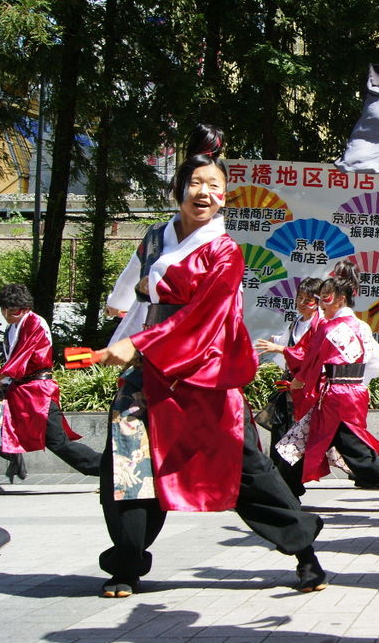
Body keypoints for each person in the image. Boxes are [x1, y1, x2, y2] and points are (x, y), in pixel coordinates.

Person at [94, 125, 326, 597]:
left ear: (224, 197)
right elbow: (129, 296)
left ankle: (304, 551)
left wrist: (139, 342)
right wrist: (125, 330)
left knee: (244, 466)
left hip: (204, 367)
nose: (204, 193)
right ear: (178, 188)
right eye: (195, 183)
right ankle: (127, 563)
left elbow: (206, 316)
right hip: (147, 371)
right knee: (126, 463)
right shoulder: (155, 239)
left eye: (214, 186)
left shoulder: (225, 251)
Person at [275, 260, 379, 505]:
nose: (321, 304)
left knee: (355, 456)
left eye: (325, 298)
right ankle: (284, 493)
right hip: (350, 393)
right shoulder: (359, 326)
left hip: (334, 398)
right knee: (301, 442)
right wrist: (359, 384)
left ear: (341, 299)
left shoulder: (328, 328)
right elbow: (374, 362)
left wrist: (299, 381)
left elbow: (310, 361)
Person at [0, 283, 100, 490]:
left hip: (36, 393)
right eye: (5, 310)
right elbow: (12, 363)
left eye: (13, 311)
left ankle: (109, 470)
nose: (8, 315)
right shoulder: (13, 327)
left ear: (25, 308)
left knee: (58, 442)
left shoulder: (34, 323)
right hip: (18, 390)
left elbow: (17, 362)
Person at [254, 278, 325, 496]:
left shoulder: (320, 325)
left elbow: (311, 356)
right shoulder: (295, 323)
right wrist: (278, 345)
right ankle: (283, 486)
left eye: (308, 300)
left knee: (300, 439)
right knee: (281, 435)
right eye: (299, 298)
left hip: (308, 391)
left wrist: (281, 349)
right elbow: (288, 347)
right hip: (290, 388)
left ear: (318, 302)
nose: (302, 303)